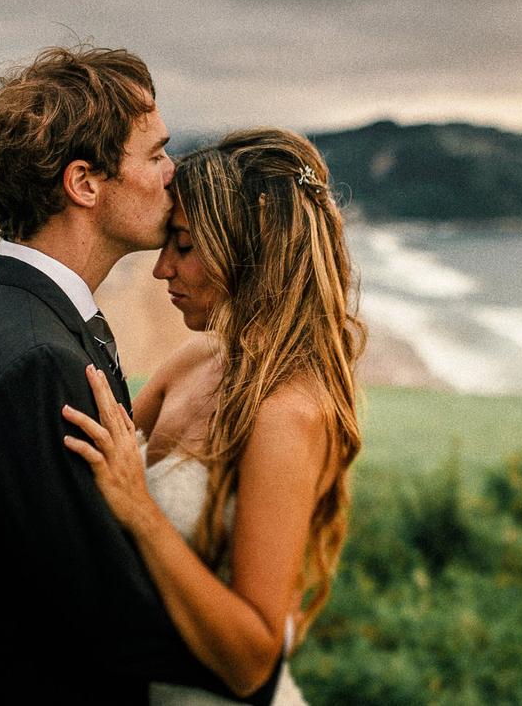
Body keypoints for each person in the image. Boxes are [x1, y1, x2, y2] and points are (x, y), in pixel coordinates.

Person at [0, 45, 281, 704]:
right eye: (156, 154)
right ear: (84, 183)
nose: (174, 174)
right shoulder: (38, 360)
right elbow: (104, 612)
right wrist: (257, 668)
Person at [62, 128, 365, 704]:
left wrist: (141, 511)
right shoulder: (193, 359)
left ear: (247, 250)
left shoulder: (285, 414)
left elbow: (253, 662)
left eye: (183, 244)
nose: (160, 270)